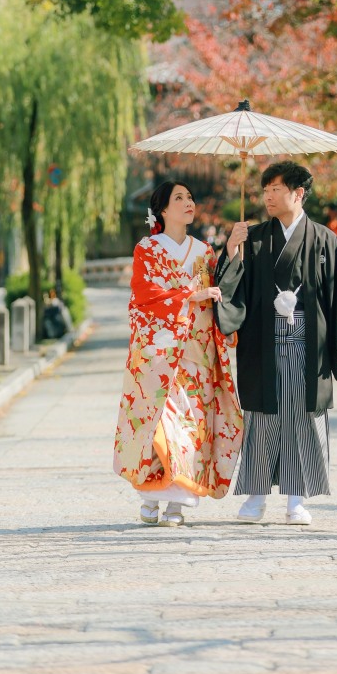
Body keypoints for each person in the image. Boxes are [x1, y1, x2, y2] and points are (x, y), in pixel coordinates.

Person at [216, 161, 337, 526]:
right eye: (265, 190)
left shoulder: (324, 239)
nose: (267, 196)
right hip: (263, 340)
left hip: (309, 340)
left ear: (298, 193)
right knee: (263, 416)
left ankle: (296, 500)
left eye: (275, 189)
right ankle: (255, 497)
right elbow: (230, 288)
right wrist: (232, 250)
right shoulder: (252, 239)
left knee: (302, 416)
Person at [114, 179, 243, 528]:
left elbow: (221, 291)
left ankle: (178, 503)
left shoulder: (204, 252)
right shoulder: (148, 248)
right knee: (159, 424)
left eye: (190, 197)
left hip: (196, 352)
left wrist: (232, 250)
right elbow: (144, 295)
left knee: (189, 427)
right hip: (158, 351)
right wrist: (189, 296)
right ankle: (151, 495)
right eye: (179, 197)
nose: (188, 202)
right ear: (163, 210)